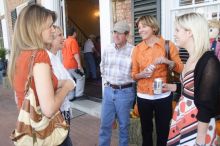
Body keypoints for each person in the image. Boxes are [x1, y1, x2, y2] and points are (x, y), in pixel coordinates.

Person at [8, 4, 74, 145]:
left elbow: (20, 96)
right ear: (36, 29)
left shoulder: (20, 56)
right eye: (50, 26)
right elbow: (49, 109)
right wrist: (67, 86)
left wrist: (59, 83)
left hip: (30, 133)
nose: (53, 30)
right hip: (47, 133)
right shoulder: (39, 55)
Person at [166, 13, 220, 146]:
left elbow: (207, 102)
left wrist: (200, 138)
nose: (175, 34)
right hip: (184, 115)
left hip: (198, 122)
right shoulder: (191, 57)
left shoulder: (208, 61)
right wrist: (174, 87)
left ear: (189, 32)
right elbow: (194, 88)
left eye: (178, 30)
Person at [131, 15, 183, 146]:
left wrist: (168, 61)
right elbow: (133, 75)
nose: (140, 30)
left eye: (144, 26)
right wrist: (142, 74)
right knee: (146, 131)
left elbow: (181, 69)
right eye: (139, 27)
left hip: (163, 96)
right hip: (143, 96)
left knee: (163, 131)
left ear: (153, 27)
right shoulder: (137, 49)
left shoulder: (167, 45)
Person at [99, 21, 135, 146]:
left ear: (127, 35)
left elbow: (136, 72)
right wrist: (109, 80)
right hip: (109, 90)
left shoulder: (133, 51)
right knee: (105, 125)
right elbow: (102, 66)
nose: (116, 36)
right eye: (114, 32)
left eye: (120, 33)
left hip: (125, 92)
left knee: (124, 126)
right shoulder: (108, 48)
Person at [47, 25, 75, 146]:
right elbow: (52, 88)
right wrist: (66, 85)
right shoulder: (47, 59)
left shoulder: (55, 58)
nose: (63, 38)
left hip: (63, 111)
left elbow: (70, 83)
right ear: (50, 40)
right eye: (60, 35)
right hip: (57, 113)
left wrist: (65, 85)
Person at [62, 27, 85, 101]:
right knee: (81, 77)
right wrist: (79, 65)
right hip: (72, 64)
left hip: (66, 64)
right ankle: (79, 94)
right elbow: (75, 54)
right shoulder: (73, 41)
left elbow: (63, 54)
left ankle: (71, 96)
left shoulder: (65, 41)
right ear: (74, 33)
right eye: (76, 33)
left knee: (71, 80)